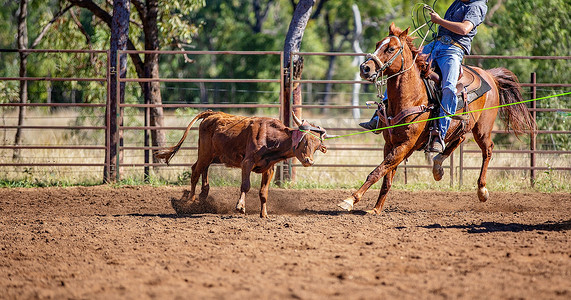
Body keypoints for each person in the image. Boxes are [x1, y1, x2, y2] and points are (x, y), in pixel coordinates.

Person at [360, 0, 488, 153]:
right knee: (402, 68)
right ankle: (378, 118)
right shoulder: (459, 2)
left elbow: (464, 29)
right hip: (435, 45)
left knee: (449, 87)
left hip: (454, 50)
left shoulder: (477, 6)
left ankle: (440, 133)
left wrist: (439, 21)